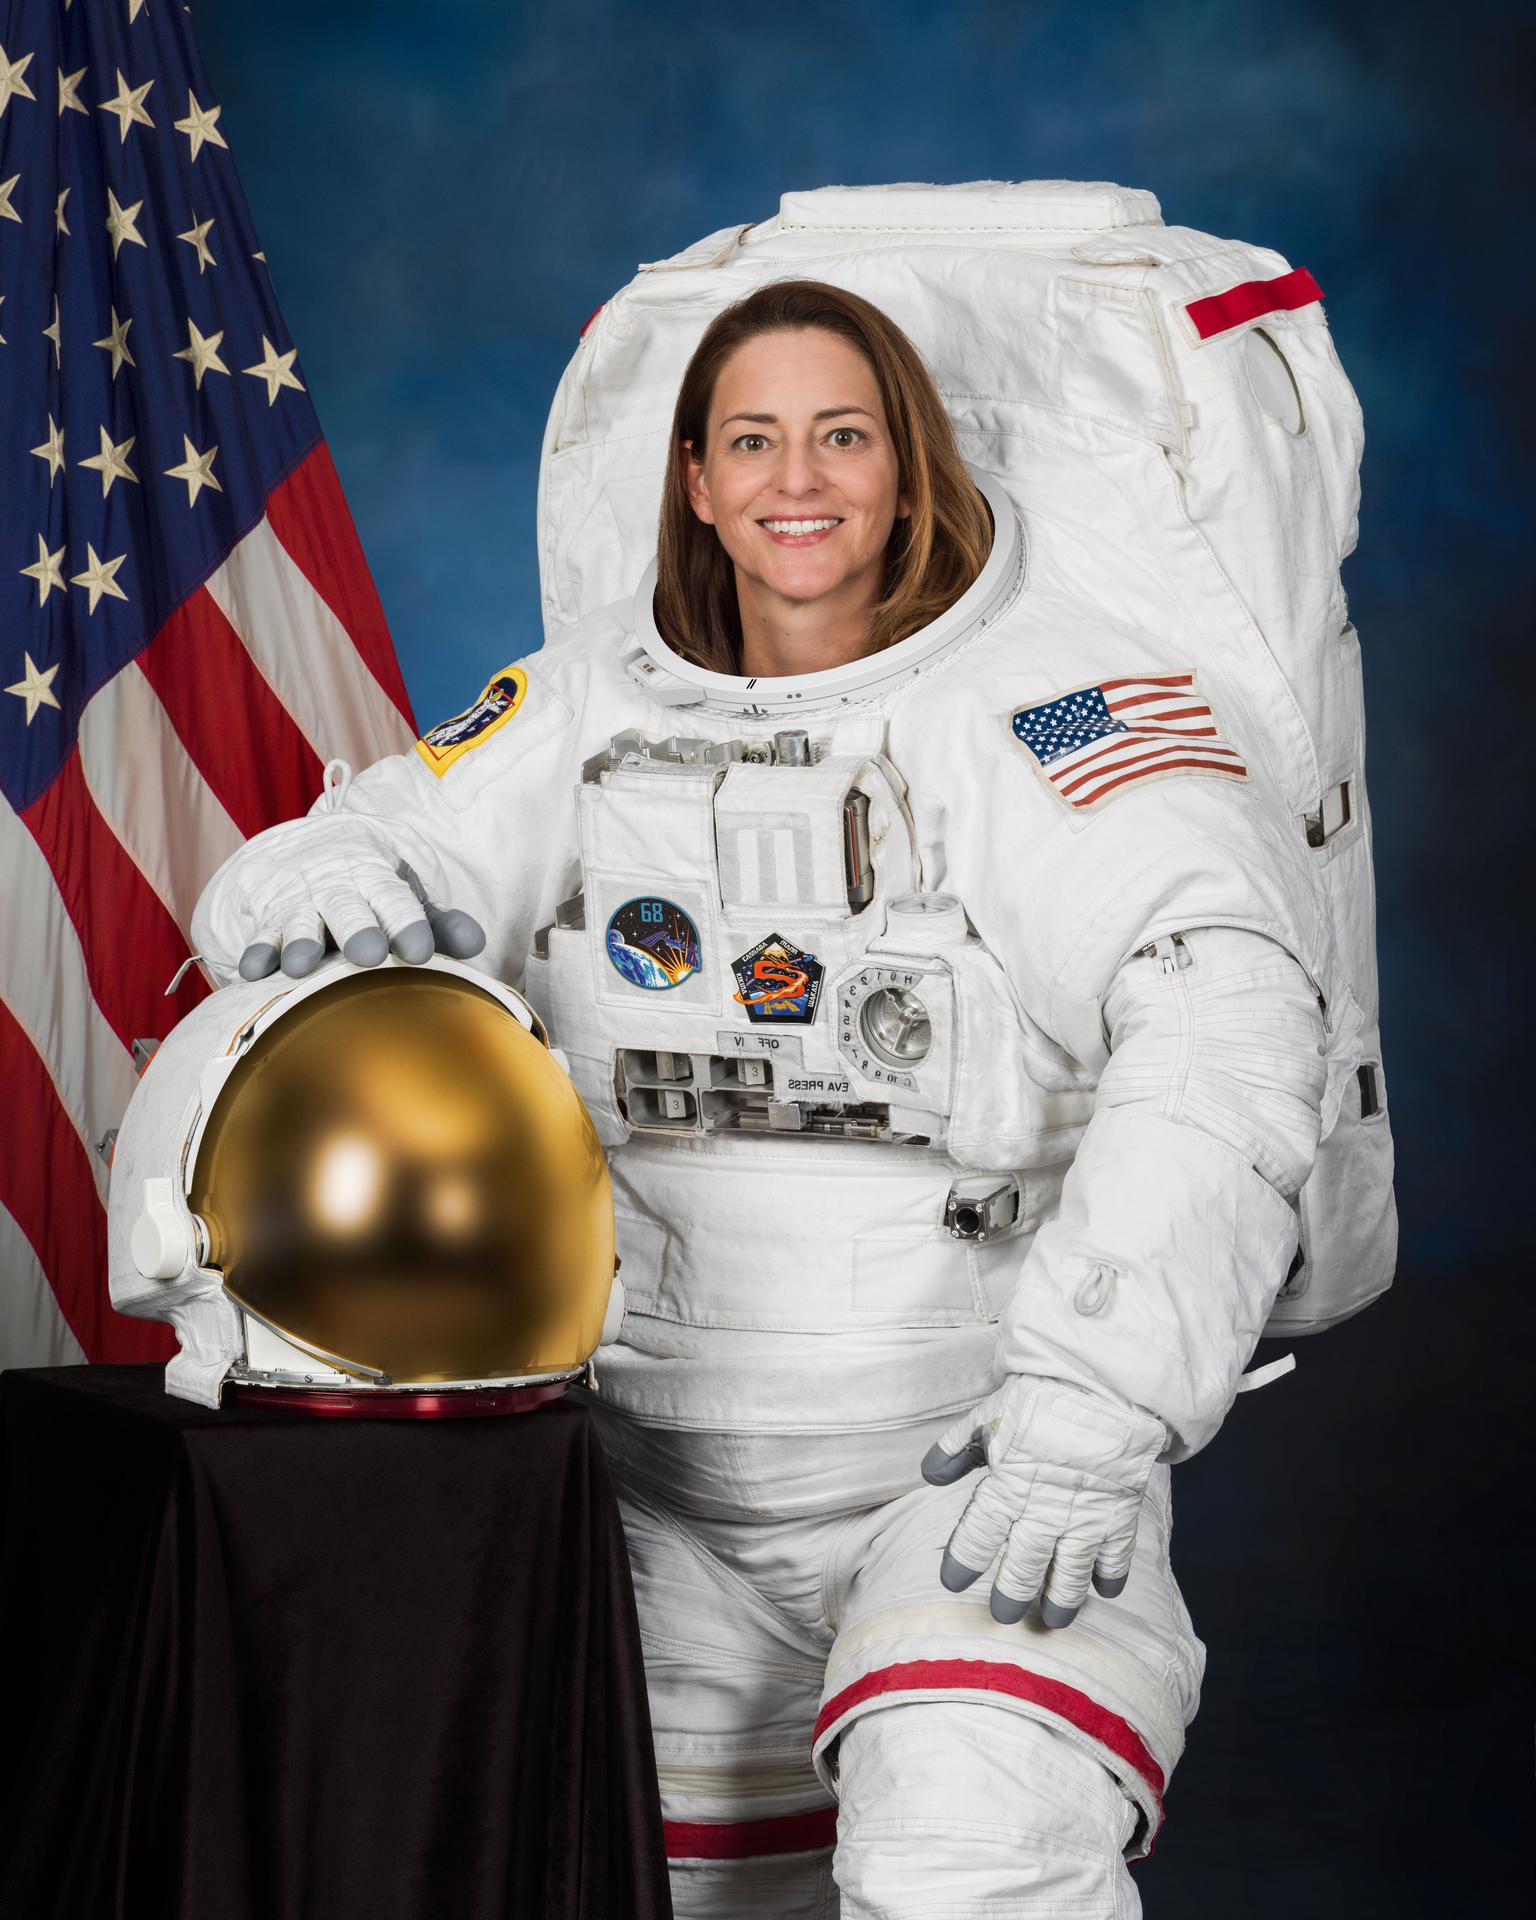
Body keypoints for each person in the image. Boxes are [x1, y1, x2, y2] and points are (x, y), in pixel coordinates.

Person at [194, 280, 1336, 1918]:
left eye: (844, 435)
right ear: (697, 481)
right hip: (652, 1485)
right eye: (754, 440)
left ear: (909, 465)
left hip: (971, 1473)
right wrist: (311, 891)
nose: (801, 478)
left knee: (970, 1861)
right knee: (636, 1887)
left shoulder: (1061, 705)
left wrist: (1098, 1408)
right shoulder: (588, 699)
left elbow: (1227, 1023)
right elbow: (340, 851)